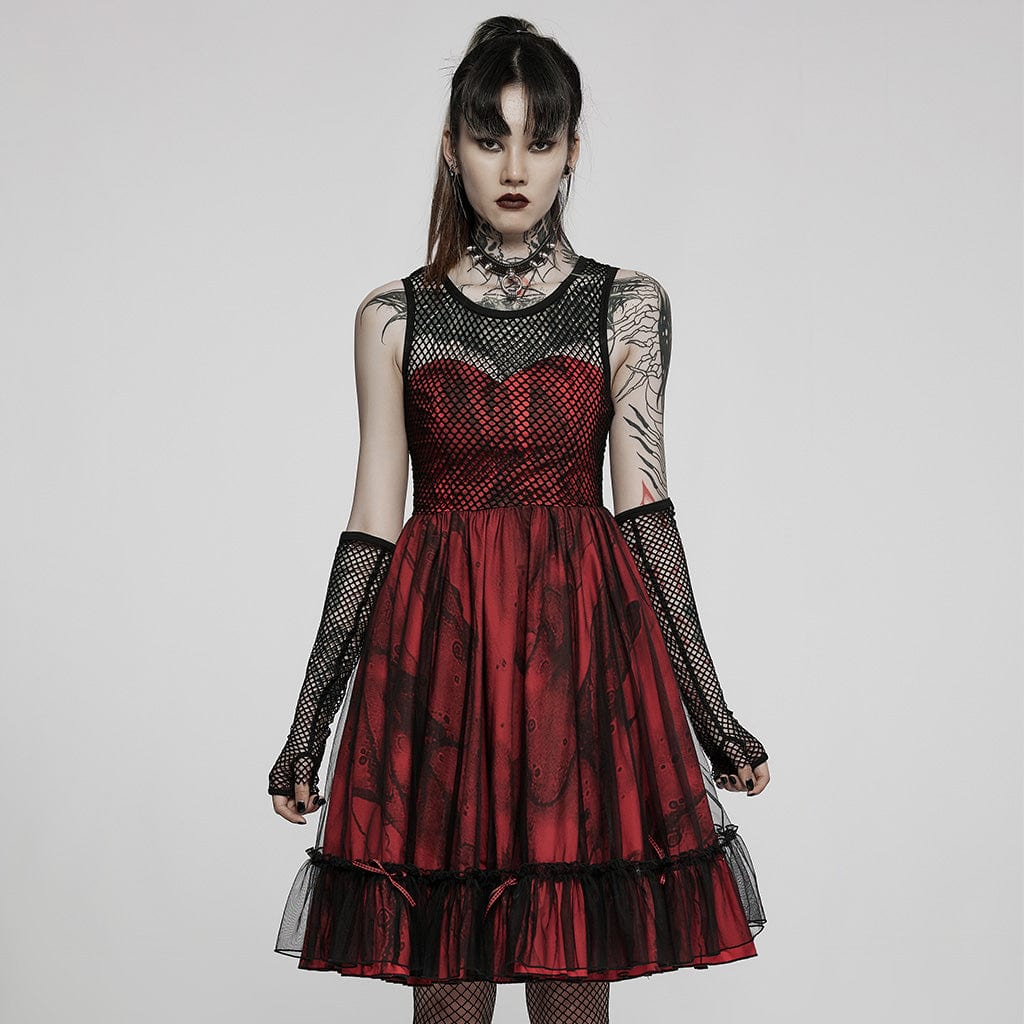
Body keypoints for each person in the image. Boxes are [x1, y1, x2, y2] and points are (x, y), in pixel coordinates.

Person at [267, 15, 771, 1024]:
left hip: (577, 658)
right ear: (450, 146)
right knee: (448, 977)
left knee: (569, 957)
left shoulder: (627, 306)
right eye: (489, 138)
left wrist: (710, 714)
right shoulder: (393, 317)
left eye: (538, 141)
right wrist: (308, 723)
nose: (513, 167)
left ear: (572, 150)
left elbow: (645, 514)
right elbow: (371, 525)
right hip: (439, 659)